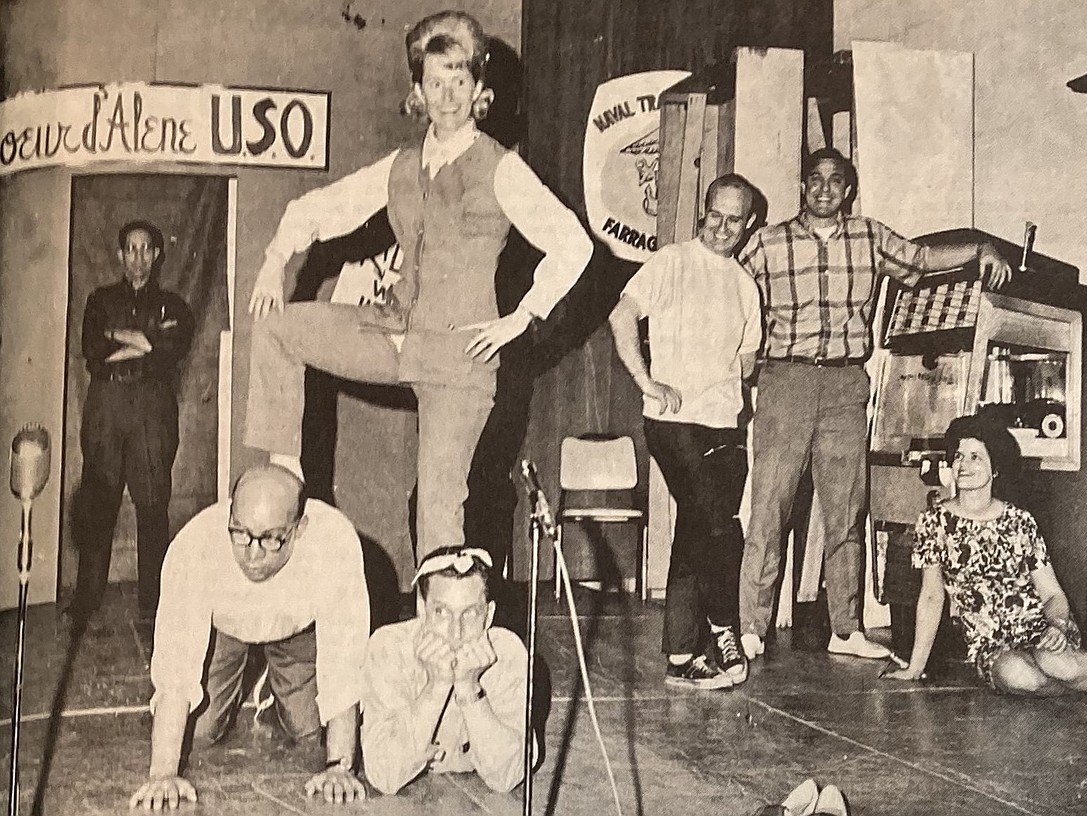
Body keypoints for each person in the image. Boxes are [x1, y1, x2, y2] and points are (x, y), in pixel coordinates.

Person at [244, 10, 592, 561]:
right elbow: (321, 207)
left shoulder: (501, 168)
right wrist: (273, 259)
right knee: (278, 327)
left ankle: (445, 632)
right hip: (391, 331)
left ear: (480, 89)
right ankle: (285, 475)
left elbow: (573, 243)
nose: (448, 96)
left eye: (460, 81)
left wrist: (520, 317)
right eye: (436, 82)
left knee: (437, 511)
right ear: (418, 91)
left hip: (460, 358)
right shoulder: (401, 166)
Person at [737, 147, 1014, 663]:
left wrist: (982, 248)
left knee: (846, 510)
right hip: (785, 382)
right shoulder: (767, 243)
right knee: (769, 507)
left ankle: (845, 628)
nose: (824, 189)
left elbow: (925, 259)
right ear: (802, 187)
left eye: (834, 180)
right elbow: (725, 287)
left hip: (845, 385)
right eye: (814, 180)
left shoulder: (869, 236)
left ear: (848, 189)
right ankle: (751, 627)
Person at [129, 464, 370, 810]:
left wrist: (339, 767)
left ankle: (271, 687)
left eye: (271, 538)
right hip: (225, 631)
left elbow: (344, 661)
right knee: (198, 734)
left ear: (300, 528)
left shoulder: (334, 542)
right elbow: (175, 672)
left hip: (296, 631)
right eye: (240, 533)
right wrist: (162, 773)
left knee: (311, 733)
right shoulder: (194, 547)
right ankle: (247, 669)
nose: (252, 555)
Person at [883, 415, 1087, 696]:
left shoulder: (1020, 521)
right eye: (958, 456)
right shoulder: (934, 521)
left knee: (1055, 662)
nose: (963, 465)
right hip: (990, 643)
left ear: (996, 468)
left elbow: (1053, 594)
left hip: (1040, 627)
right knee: (1021, 676)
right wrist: (915, 667)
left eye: (975, 457)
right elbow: (932, 596)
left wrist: (1057, 626)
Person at [609, 175, 761, 689]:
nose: (721, 227)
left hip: (723, 424)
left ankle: (679, 655)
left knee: (698, 529)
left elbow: (745, 362)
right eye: (714, 215)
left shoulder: (745, 285)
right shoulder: (671, 261)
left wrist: (731, 393)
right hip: (672, 422)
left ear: (749, 225)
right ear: (703, 213)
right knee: (716, 524)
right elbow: (621, 315)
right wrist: (647, 379)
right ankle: (724, 630)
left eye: (733, 220)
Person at [71, 220, 194, 625]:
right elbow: (93, 350)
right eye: (131, 249)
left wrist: (120, 339)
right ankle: (86, 599)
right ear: (120, 255)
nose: (138, 257)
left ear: (157, 255)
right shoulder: (100, 299)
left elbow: (169, 350)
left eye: (146, 249)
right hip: (106, 405)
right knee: (99, 500)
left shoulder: (173, 305)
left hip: (152, 408)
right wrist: (143, 340)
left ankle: (153, 603)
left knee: (153, 502)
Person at [360, 546, 528, 794]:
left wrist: (470, 691)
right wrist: (436, 687)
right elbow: (384, 775)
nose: (455, 633)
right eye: (441, 612)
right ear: (421, 608)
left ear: (489, 615)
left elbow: (507, 776)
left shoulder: (507, 652)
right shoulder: (388, 648)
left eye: (470, 613)